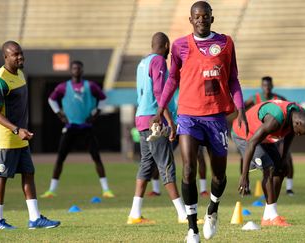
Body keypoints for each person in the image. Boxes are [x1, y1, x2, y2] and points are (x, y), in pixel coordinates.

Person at [151, 1, 248, 242]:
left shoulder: (225, 43)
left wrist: (241, 108)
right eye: (197, 16)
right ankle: (192, 228)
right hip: (188, 116)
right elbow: (172, 79)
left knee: (218, 175)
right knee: (188, 169)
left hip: (216, 118)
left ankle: (213, 209)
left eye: (206, 16)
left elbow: (233, 79)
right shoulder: (181, 45)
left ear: (212, 19)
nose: (202, 19)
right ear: (191, 20)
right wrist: (160, 109)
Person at [0, 41, 60, 229]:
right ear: (5, 57)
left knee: (28, 173)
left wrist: (21, 131)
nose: (20, 57)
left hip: (20, 138)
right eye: (15, 54)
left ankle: (35, 218)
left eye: (21, 53)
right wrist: (16, 129)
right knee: (1, 176)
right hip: (4, 140)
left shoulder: (20, 74)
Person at [126, 32, 188, 225]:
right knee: (166, 164)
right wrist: (169, 120)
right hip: (155, 118)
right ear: (167, 45)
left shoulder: (142, 63)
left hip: (141, 117)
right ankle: (183, 214)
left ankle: (135, 214)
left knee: (146, 164)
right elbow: (160, 92)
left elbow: (142, 92)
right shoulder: (159, 61)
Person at [40, 60, 115, 199]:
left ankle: (106, 190)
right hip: (70, 127)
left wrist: (96, 114)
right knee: (60, 159)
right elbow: (51, 99)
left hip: (86, 127)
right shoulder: (63, 87)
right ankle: (51, 190)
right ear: (71, 70)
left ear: (82, 70)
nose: (76, 70)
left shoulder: (90, 86)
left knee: (96, 158)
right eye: (74, 68)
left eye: (79, 68)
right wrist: (59, 114)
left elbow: (103, 98)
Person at [235, 99, 305, 226]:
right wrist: (244, 175)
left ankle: (268, 217)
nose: (299, 135)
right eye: (300, 132)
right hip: (246, 136)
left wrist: (283, 159)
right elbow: (252, 143)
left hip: (264, 138)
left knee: (281, 170)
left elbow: (290, 135)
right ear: (298, 123)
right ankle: (273, 216)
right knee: (270, 168)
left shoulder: (296, 115)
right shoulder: (275, 120)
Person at [243, 76, 295, 196]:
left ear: (272, 86)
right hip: (261, 136)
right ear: (262, 86)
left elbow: (287, 110)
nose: (267, 87)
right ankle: (246, 186)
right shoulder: (255, 98)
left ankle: (289, 188)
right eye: (265, 85)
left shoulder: (279, 98)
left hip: (277, 136)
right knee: (245, 156)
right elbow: (242, 109)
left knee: (287, 157)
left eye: (269, 85)